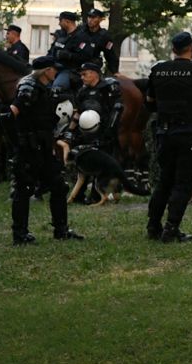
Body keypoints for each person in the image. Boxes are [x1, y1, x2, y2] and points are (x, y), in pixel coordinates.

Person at [145, 31, 192, 243]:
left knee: (164, 181)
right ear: (191, 48)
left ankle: (153, 226)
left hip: (164, 133)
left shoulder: (158, 70)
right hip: (189, 134)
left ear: (173, 49)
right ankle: (171, 228)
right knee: (183, 183)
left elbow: (149, 101)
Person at [7, 59, 80, 244]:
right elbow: (11, 114)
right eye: (55, 69)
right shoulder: (29, 87)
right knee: (23, 189)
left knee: (59, 186)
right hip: (28, 148)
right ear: (46, 70)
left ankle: (61, 230)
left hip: (44, 146)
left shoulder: (44, 87)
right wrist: (18, 142)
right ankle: (20, 234)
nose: (56, 73)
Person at [69, 60, 124, 201]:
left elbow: (117, 109)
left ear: (94, 74)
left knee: (105, 163)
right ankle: (79, 195)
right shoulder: (82, 91)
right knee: (85, 162)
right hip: (86, 132)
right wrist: (70, 131)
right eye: (81, 75)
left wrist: (109, 131)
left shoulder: (108, 88)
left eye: (84, 74)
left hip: (106, 131)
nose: (82, 77)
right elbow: (78, 113)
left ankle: (100, 194)